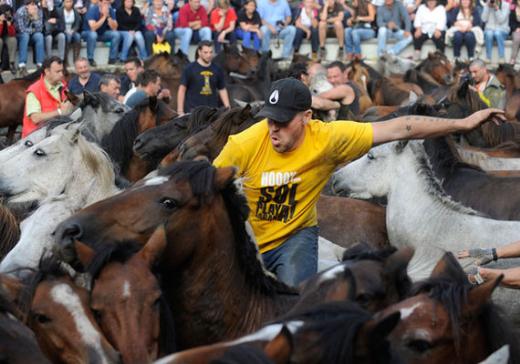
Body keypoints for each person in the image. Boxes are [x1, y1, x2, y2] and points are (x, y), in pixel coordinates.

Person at [213, 77, 504, 286]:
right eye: (269, 120)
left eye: (282, 121)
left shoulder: (328, 138)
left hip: (294, 239)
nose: (273, 129)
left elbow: (401, 127)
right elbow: (208, 189)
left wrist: (462, 124)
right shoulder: (243, 144)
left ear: (306, 117)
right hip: (249, 234)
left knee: (295, 305)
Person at [22, 56, 73, 137]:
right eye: (58, 71)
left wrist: (70, 106)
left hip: (54, 134)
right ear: (47, 71)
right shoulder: (34, 90)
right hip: (35, 140)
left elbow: (69, 106)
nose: (61, 74)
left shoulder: (63, 86)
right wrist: (59, 112)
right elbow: (35, 118)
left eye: (62, 71)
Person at [177, 40, 230, 114]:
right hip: (193, 113)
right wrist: (180, 111)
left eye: (211, 52)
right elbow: (182, 90)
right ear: (199, 52)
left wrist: (228, 108)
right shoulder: (189, 69)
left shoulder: (217, 69)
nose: (209, 55)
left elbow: (222, 89)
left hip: (211, 112)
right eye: (206, 52)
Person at [81, 0, 122, 66]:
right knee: (93, 34)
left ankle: (112, 59)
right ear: (99, 3)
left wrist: (108, 17)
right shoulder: (92, 10)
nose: (107, 5)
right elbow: (93, 28)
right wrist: (104, 17)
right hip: (87, 33)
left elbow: (115, 28)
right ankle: (90, 59)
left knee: (116, 34)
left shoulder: (110, 10)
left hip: (101, 33)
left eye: (108, 3)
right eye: (105, 3)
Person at [15, 0, 45, 75]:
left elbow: (40, 29)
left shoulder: (38, 11)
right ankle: (22, 65)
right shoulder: (20, 12)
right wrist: (33, 30)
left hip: (32, 35)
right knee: (25, 35)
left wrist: (34, 18)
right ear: (26, 5)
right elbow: (21, 30)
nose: (34, 6)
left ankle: (40, 64)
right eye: (32, 4)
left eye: (35, 4)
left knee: (39, 36)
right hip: (20, 36)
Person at [58, 0, 82, 65]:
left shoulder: (75, 11)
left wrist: (73, 30)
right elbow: (58, 24)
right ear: (64, 3)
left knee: (78, 36)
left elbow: (77, 24)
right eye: (67, 2)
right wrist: (65, 30)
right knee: (67, 37)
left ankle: (76, 59)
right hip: (63, 31)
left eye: (70, 1)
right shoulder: (59, 11)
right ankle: (66, 59)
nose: (69, 3)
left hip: (72, 31)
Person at [0, 3, 17, 74]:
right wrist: (0, 22)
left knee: (13, 40)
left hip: (6, 35)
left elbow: (12, 34)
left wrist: (9, 25)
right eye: (5, 14)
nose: (7, 15)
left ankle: (11, 63)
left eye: (8, 13)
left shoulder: (10, 18)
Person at [510, 0, 520, 64]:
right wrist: (516, 28)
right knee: (516, 39)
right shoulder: (513, 9)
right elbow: (511, 22)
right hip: (516, 30)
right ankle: (513, 58)